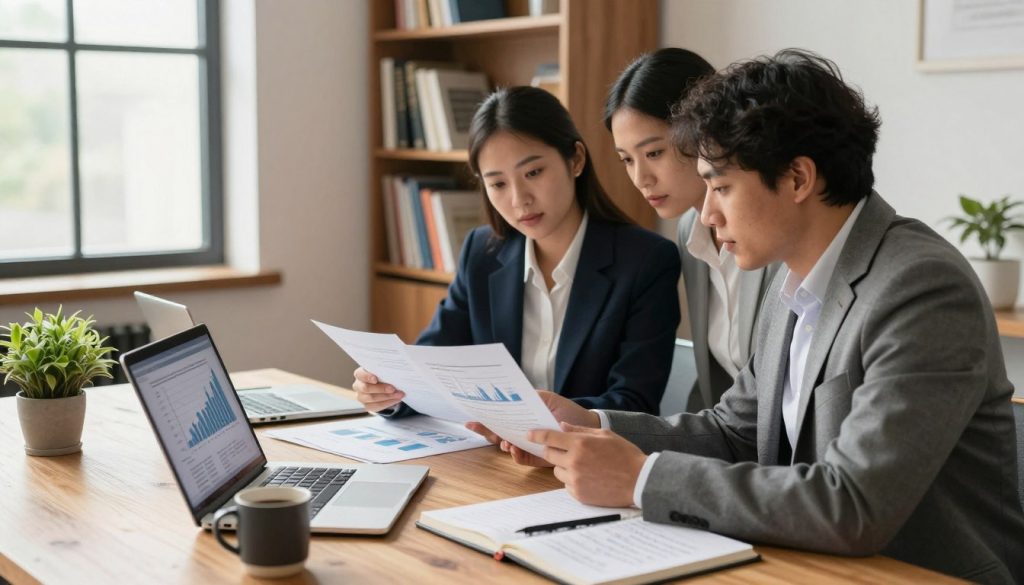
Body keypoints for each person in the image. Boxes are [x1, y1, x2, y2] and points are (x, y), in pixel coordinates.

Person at [486, 50, 1024, 583]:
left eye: (721, 187)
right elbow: (735, 431)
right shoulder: (793, 277)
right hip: (803, 562)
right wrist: (594, 426)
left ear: (797, 179)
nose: (710, 213)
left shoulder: (920, 287)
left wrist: (642, 479)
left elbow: (854, 504)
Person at [354, 86, 681, 416]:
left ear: (576, 160)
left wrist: (536, 420)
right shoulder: (481, 253)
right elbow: (429, 366)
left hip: (587, 460)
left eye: (533, 173)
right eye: (498, 183)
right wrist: (389, 391)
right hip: (495, 456)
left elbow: (635, 402)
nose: (518, 199)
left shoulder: (646, 261)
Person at [604, 48, 780, 411]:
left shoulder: (770, 224)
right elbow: (711, 390)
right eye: (626, 159)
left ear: (703, 130)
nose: (641, 179)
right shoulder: (689, 231)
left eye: (653, 153)